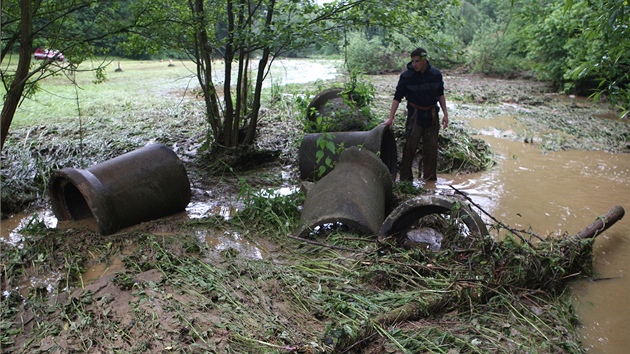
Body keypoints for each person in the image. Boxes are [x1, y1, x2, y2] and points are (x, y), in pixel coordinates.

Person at [383, 47, 449, 181]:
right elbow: (397, 97)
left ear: (425, 60)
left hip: (432, 115)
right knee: (409, 148)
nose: (415, 64)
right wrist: (391, 118)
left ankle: (430, 182)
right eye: (413, 61)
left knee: (431, 151)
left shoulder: (436, 75)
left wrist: (445, 115)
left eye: (417, 61)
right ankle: (405, 181)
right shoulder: (406, 76)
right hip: (415, 115)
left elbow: (441, 94)